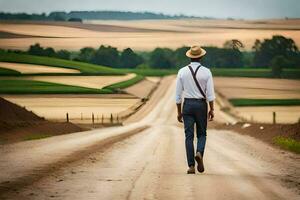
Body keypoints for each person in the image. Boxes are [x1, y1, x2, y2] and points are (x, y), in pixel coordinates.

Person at [175, 45, 215, 174]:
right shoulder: (207, 72)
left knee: (189, 136)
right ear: (201, 56)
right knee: (202, 134)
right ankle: (199, 152)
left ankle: (191, 166)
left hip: (187, 105)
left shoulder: (182, 71)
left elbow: (177, 95)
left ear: (190, 57)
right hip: (201, 105)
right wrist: (212, 109)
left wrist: (179, 112)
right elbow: (210, 94)